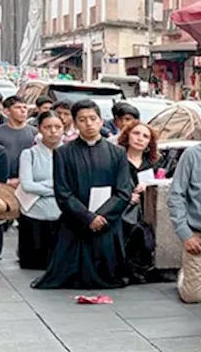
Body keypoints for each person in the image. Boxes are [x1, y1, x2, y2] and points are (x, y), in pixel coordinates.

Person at [32, 100, 131, 290]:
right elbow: (63, 192)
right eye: (83, 120)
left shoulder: (117, 153)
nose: (89, 124)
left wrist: (101, 216)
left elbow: (123, 191)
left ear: (101, 121)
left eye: (93, 119)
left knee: (109, 272)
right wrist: (87, 217)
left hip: (107, 220)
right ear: (75, 124)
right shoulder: (63, 153)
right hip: (76, 220)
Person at [168, 107, 201, 304]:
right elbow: (176, 196)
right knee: (193, 296)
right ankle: (187, 274)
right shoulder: (193, 155)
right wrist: (185, 234)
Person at [16, 111, 64, 270]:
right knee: (33, 265)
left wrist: (43, 186)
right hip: (33, 215)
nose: (53, 131)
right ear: (39, 129)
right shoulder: (29, 154)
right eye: (48, 127)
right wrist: (56, 188)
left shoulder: (69, 154)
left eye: (58, 127)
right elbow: (27, 185)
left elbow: (72, 185)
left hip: (61, 216)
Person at [117, 122, 160, 283]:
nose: (140, 139)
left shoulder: (152, 165)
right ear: (127, 136)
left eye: (145, 136)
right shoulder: (117, 160)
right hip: (122, 210)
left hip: (145, 211)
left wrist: (148, 186)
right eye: (136, 133)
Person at [0, 95, 37, 187]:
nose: (23, 111)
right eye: (18, 107)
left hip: (27, 181)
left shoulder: (34, 132)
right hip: (2, 181)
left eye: (25, 107)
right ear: (7, 111)